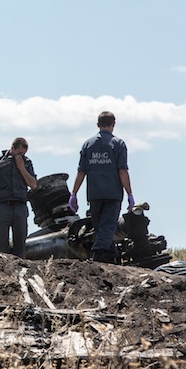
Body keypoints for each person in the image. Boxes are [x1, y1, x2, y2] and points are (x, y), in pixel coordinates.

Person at [69, 111, 135, 264]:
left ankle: (111, 259)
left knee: (101, 229)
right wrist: (130, 194)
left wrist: (74, 193)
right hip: (112, 194)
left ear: (98, 124)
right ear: (113, 124)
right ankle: (98, 255)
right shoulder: (118, 144)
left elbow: (81, 171)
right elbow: (122, 171)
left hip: (94, 194)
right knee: (107, 228)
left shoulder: (88, 144)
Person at [0, 137, 37, 259]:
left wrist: (22, 168)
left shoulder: (27, 162)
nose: (21, 156)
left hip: (20, 206)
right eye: (19, 153)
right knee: (1, 244)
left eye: (23, 154)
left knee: (20, 244)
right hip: (3, 206)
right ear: (12, 148)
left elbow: (33, 184)